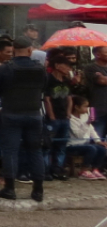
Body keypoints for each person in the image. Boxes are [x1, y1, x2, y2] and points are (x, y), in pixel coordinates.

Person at [0, 35, 47, 202]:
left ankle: (9, 189)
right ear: (30, 50)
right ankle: (38, 190)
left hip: (11, 113)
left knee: (10, 152)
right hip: (34, 114)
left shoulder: (4, 68)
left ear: (13, 50)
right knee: (35, 151)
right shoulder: (40, 68)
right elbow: (44, 86)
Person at [44, 53, 75, 181]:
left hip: (64, 117)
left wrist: (68, 113)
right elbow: (47, 99)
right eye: (66, 66)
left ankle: (58, 168)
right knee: (47, 145)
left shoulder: (67, 81)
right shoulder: (48, 80)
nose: (68, 69)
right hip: (53, 118)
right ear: (57, 66)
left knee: (61, 145)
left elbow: (69, 98)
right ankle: (46, 170)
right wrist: (51, 116)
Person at [66, 96, 106, 179]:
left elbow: (91, 130)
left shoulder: (85, 116)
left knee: (101, 148)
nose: (86, 109)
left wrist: (98, 141)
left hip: (85, 144)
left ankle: (95, 169)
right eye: (85, 106)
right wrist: (87, 124)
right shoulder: (71, 119)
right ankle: (83, 170)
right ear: (76, 107)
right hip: (73, 145)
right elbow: (78, 135)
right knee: (91, 148)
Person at [83, 45, 107, 140]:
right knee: (97, 139)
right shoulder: (90, 67)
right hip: (98, 110)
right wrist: (102, 78)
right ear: (98, 55)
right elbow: (102, 81)